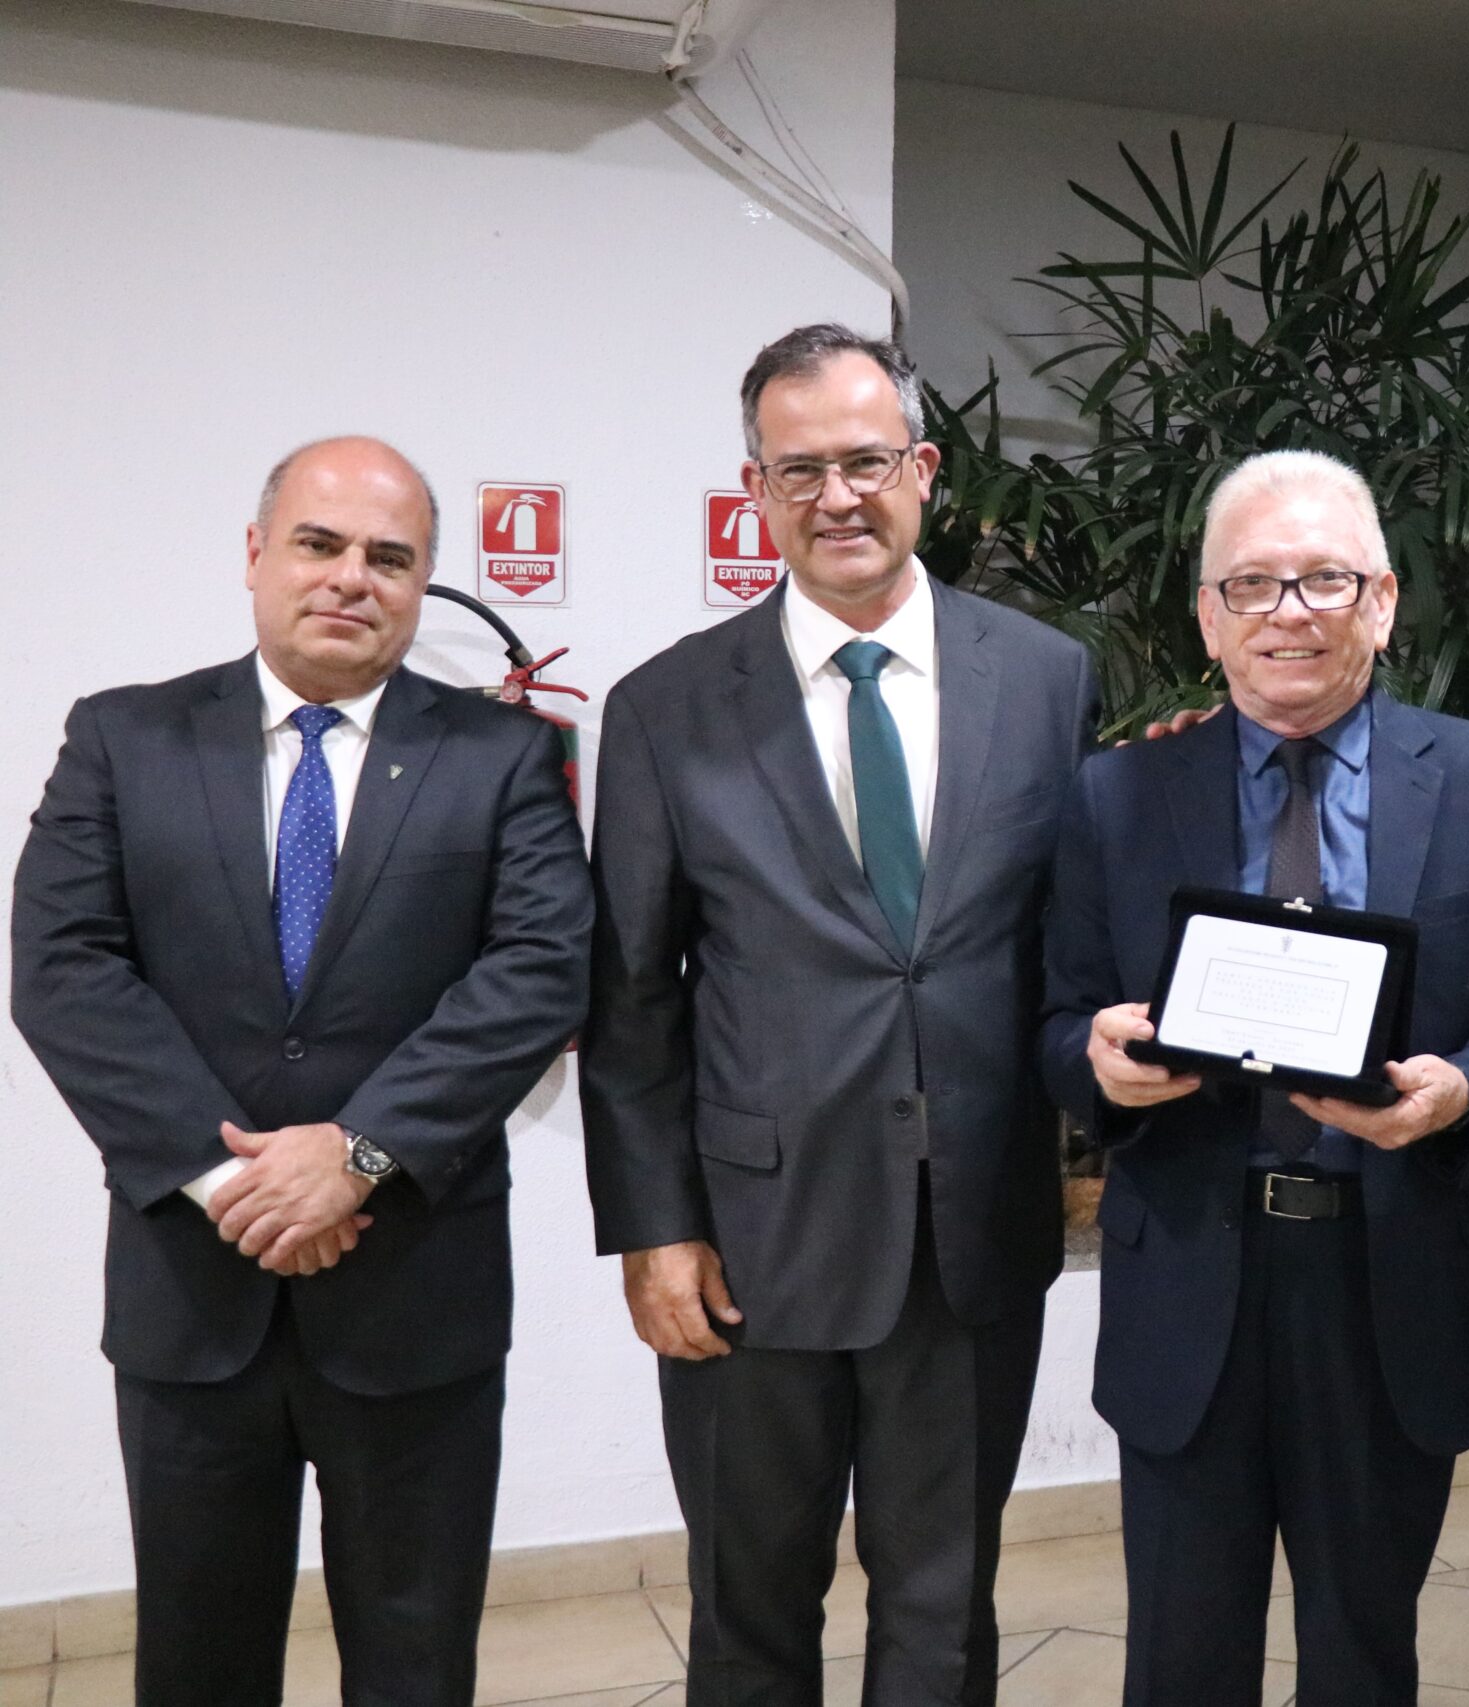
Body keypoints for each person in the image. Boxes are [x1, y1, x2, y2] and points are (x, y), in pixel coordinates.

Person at [11, 437, 593, 1705]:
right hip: (191, 1291)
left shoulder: (498, 758)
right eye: (321, 545)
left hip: (414, 1292)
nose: (351, 579)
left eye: (391, 558)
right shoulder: (126, 736)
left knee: (414, 1657)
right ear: (257, 555)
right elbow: (62, 969)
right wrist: (236, 1186)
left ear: (425, 581)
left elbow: (538, 971)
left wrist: (358, 1152)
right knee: (198, 1658)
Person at [580, 324, 1099, 1706]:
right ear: (755, 490)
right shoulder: (667, 707)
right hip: (754, 1243)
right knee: (751, 1606)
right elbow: (631, 1000)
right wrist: (653, 1225)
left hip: (973, 1228)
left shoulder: (1047, 679)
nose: (838, 496)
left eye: (867, 460)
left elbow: (1072, 937)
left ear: (924, 469)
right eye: (797, 469)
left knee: (944, 1603)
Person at [1043, 450, 1469, 1705]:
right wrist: (1096, 1067)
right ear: (1208, 617)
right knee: (1181, 1661)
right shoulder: (1118, 793)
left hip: (1390, 1281)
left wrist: (1464, 1090)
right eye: (1253, 586)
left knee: (1361, 1657)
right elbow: (1055, 1013)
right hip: (1190, 1278)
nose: (1290, 611)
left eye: (1323, 579)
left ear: (1381, 602)